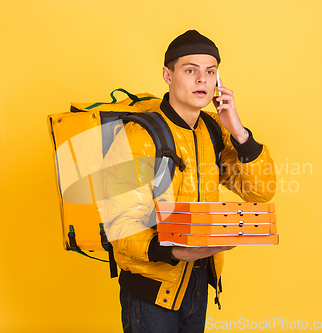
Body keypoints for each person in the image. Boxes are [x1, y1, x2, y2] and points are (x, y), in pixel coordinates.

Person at [101, 30, 276, 333]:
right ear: (168, 75)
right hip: (152, 287)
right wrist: (170, 252)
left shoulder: (212, 130)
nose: (202, 80)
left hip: (198, 280)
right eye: (190, 70)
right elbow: (117, 221)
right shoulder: (139, 135)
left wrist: (240, 134)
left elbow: (260, 192)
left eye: (210, 72)